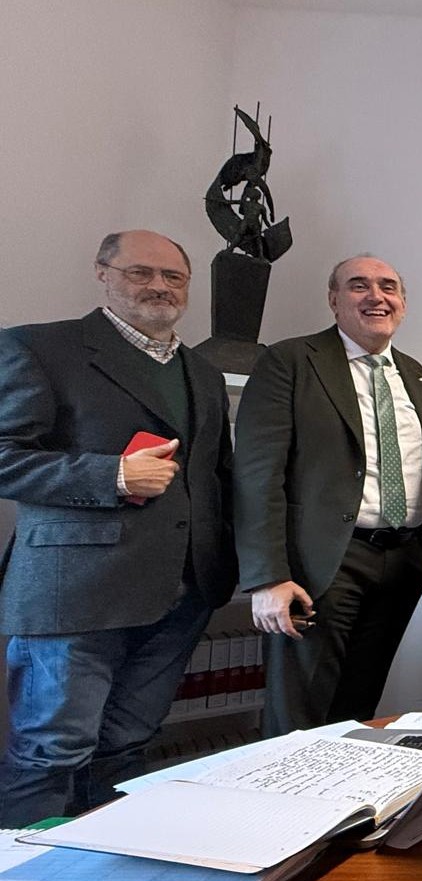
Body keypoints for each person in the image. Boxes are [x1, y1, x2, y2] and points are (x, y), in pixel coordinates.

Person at [0, 230, 237, 824]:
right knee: (51, 753)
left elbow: (217, 478)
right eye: (140, 272)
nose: (159, 286)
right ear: (103, 273)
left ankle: (104, 864)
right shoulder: (39, 347)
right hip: (76, 595)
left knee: (127, 748)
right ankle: (28, 872)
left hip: (182, 595)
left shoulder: (203, 373)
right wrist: (112, 476)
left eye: (173, 276)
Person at [234, 255, 422, 737]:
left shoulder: (415, 374)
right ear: (334, 299)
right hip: (322, 563)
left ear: (403, 303)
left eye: (388, 287)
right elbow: (257, 474)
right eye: (359, 285)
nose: (376, 297)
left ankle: (346, 786)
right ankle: (289, 790)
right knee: (300, 717)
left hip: (402, 560)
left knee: (359, 708)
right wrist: (268, 576)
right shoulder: (290, 361)